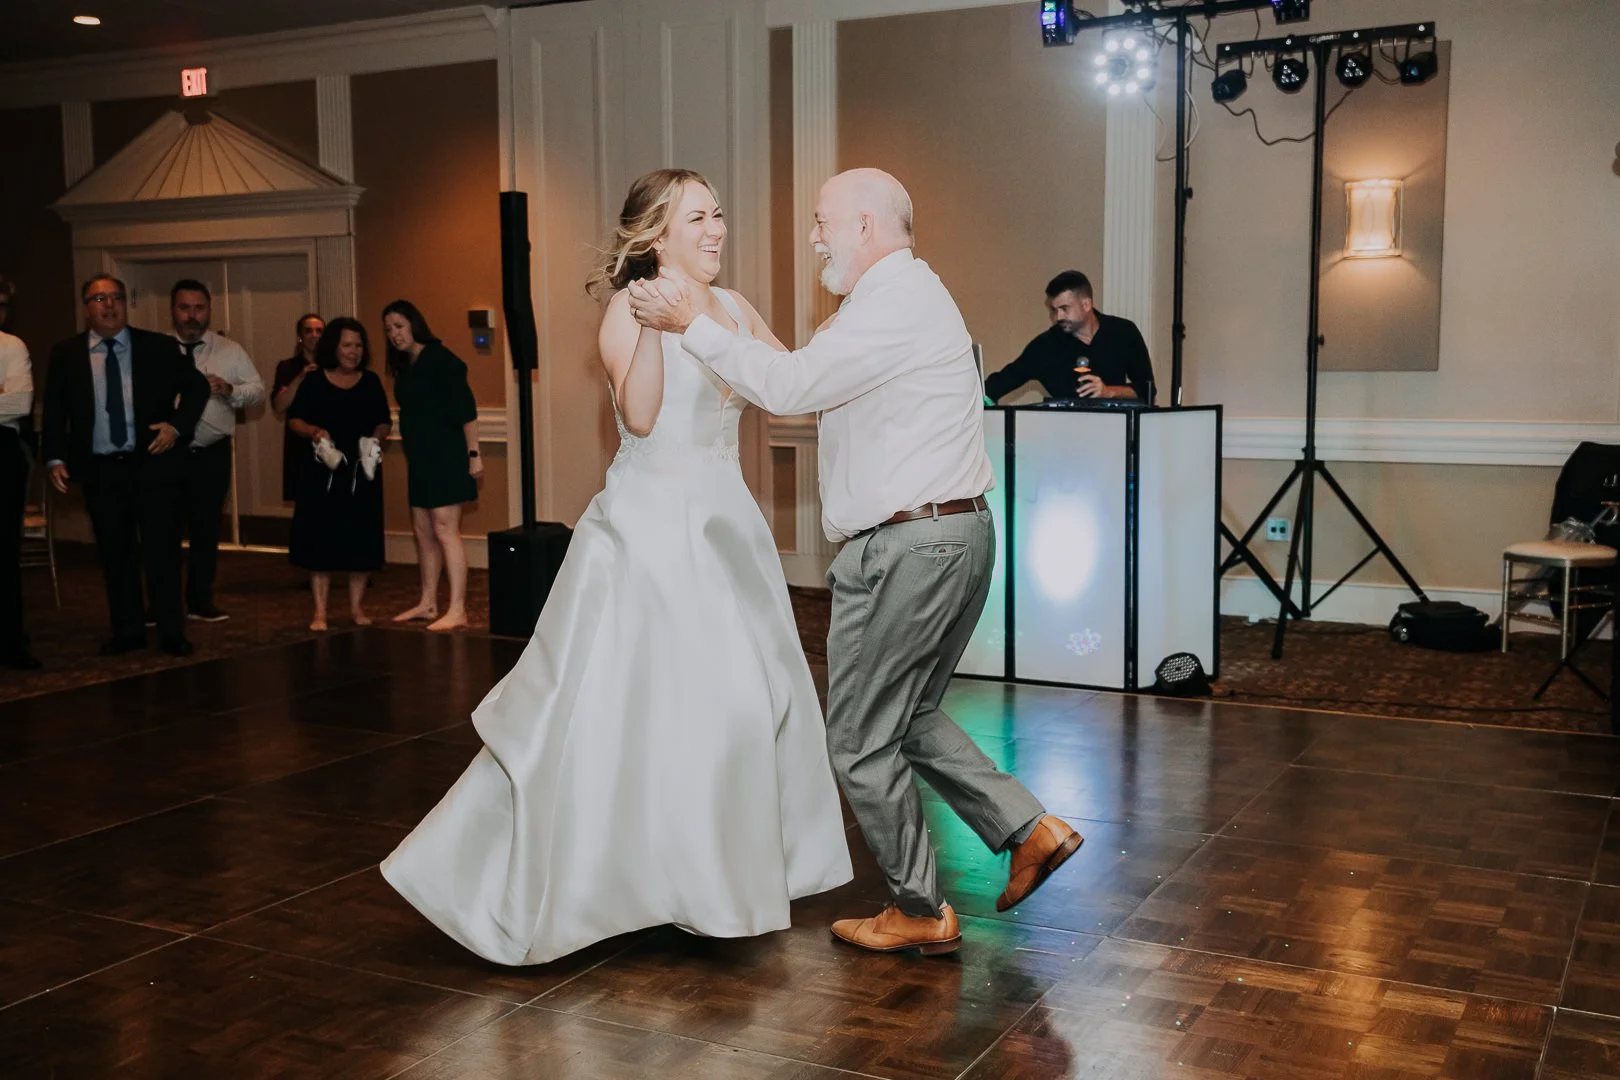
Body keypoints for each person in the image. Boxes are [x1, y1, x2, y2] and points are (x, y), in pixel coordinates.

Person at [381, 168, 852, 966]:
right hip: (648, 532)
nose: (716, 228)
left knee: (741, 706)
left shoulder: (736, 306)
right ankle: (605, 880)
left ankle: (705, 878)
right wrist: (665, 320)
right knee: (631, 716)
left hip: (725, 529)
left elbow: (791, 392)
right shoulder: (626, 310)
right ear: (656, 236)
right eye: (697, 217)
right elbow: (637, 415)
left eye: (718, 212)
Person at [628, 168, 1082, 957]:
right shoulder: (887, 303)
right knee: (907, 719)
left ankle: (918, 907)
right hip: (947, 537)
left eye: (821, 222)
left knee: (857, 738)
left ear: (866, 226)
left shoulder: (897, 303)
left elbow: (789, 384)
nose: (813, 237)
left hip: (914, 545)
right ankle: (1028, 827)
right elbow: (802, 377)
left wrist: (691, 322)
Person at [42, 275, 209, 657]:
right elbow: (54, 411)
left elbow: (197, 388)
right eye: (99, 298)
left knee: (162, 552)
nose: (109, 305)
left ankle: (171, 631)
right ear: (87, 307)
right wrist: (54, 457)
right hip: (101, 470)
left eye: (116, 297)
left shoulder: (158, 346)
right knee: (115, 554)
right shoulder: (66, 354)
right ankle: (127, 631)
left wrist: (177, 427)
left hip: (151, 464)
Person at [284, 318, 391, 631]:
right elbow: (294, 420)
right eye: (347, 345)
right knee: (321, 541)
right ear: (333, 346)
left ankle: (357, 608)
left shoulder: (370, 381)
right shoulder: (315, 381)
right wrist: (315, 431)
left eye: (358, 346)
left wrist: (376, 437)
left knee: (361, 540)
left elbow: (384, 421)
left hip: (361, 470)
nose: (353, 352)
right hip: (323, 472)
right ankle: (320, 612)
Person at [170, 279, 265, 622]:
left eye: (199, 308)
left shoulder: (230, 350)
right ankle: (162, 604)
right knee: (163, 529)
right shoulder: (157, 349)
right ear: (173, 310)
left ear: (208, 310)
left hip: (212, 454)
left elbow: (257, 391)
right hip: (167, 453)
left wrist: (229, 390)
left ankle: (200, 600)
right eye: (185, 308)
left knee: (206, 528)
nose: (192, 316)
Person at [382, 300, 480, 632]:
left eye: (399, 326)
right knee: (423, 530)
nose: (394, 335)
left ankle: (457, 608)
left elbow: (467, 410)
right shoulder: (406, 366)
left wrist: (474, 454)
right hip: (421, 457)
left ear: (414, 324)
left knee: (444, 528)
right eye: (389, 329)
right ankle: (428, 602)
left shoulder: (442, 359)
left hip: (447, 455)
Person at [984, 270, 1155, 404]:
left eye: (1065, 308)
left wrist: (1108, 391)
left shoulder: (1123, 332)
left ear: (1086, 304)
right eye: (1054, 310)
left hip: (1117, 434)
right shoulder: (1045, 346)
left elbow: (1147, 390)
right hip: (1064, 438)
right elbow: (1000, 383)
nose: (1058, 317)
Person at [0, 276, 40, 670]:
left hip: (3, 452)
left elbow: (18, 403)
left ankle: (11, 642)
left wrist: (5, 396)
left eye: (3, 305)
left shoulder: (12, 346)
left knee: (4, 553)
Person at [271, 314, 324, 503]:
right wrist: (300, 378)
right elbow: (279, 406)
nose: (314, 335)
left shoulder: (334, 366)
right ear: (300, 336)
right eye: (308, 331)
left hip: (328, 440)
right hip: (299, 443)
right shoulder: (287, 367)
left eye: (319, 330)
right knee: (304, 504)